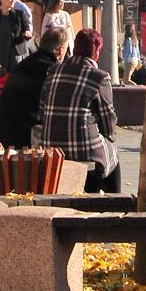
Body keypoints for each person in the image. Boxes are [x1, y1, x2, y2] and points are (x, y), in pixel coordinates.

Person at [39, 29, 120, 191]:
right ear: (96, 53)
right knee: (113, 154)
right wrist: (110, 136)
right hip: (82, 150)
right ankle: (114, 201)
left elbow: (42, 110)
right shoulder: (99, 77)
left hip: (51, 149)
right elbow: (108, 121)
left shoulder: (53, 71)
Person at [0, 23, 62, 149]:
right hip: (26, 142)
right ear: (61, 50)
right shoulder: (54, 71)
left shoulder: (23, 65)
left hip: (3, 139)